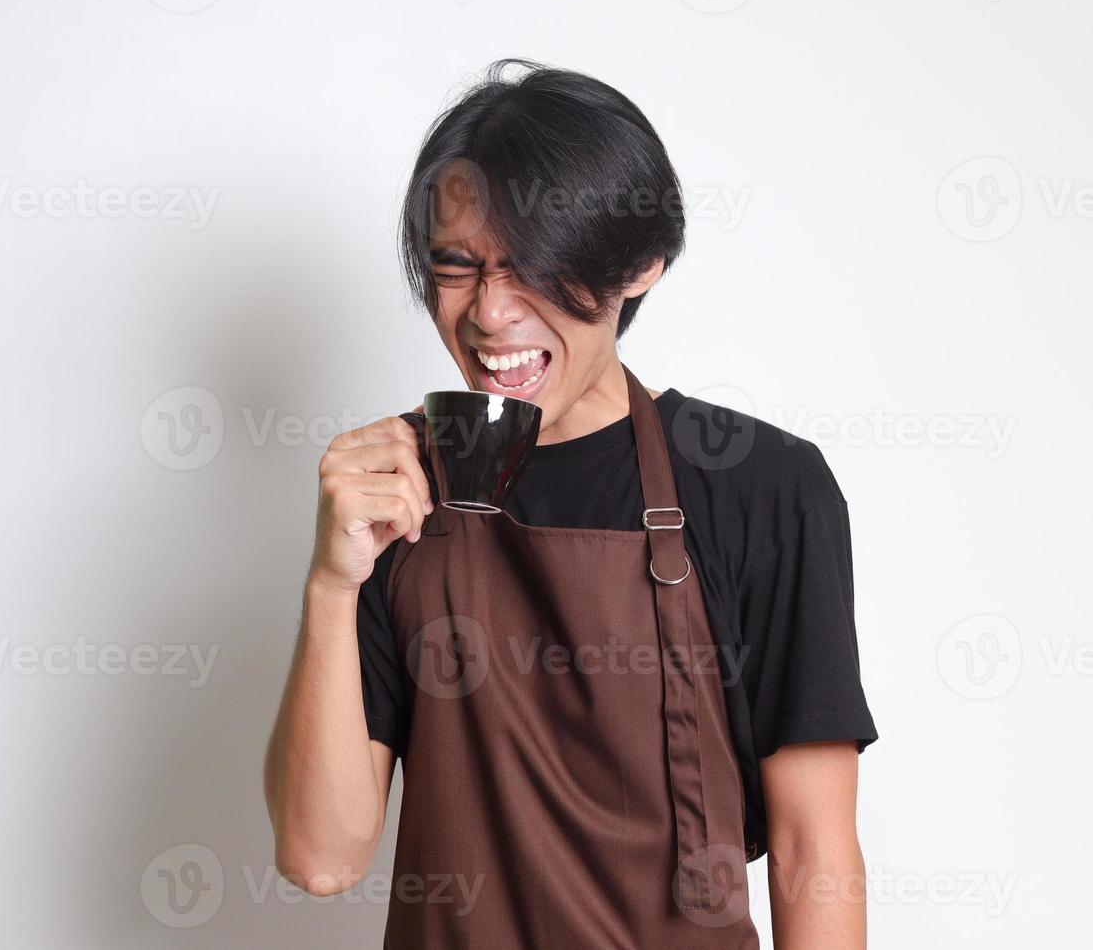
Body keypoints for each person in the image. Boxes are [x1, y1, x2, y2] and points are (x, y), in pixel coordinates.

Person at [265, 58, 878, 949]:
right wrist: (331, 582)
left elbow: (810, 845)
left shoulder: (763, 487)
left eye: (531, 268)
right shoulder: (392, 489)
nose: (490, 314)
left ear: (639, 264)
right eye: (459, 268)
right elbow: (321, 859)